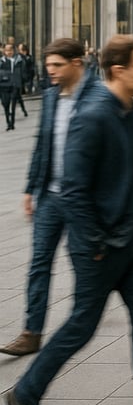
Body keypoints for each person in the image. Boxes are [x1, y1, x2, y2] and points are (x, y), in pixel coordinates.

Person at [4, 35, 133, 405]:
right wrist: (95, 243)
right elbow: (73, 190)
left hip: (131, 242)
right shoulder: (93, 116)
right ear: (119, 70)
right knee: (82, 325)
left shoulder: (131, 112)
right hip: (99, 247)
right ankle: (25, 395)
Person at [0, 38, 96, 357]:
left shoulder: (98, 97)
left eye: (56, 65)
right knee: (39, 263)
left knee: (87, 267)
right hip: (50, 197)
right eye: (48, 65)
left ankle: (84, 325)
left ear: (76, 63)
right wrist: (30, 188)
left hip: (81, 200)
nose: (50, 71)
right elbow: (42, 144)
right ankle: (32, 331)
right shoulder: (52, 96)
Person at [0, 43, 19, 130]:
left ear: (13, 51)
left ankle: (12, 123)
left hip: (14, 85)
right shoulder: (1, 61)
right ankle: (8, 121)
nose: (9, 52)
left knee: (13, 105)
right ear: (4, 51)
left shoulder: (18, 60)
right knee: (6, 104)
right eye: (7, 50)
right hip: (4, 86)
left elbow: (22, 73)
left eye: (10, 50)